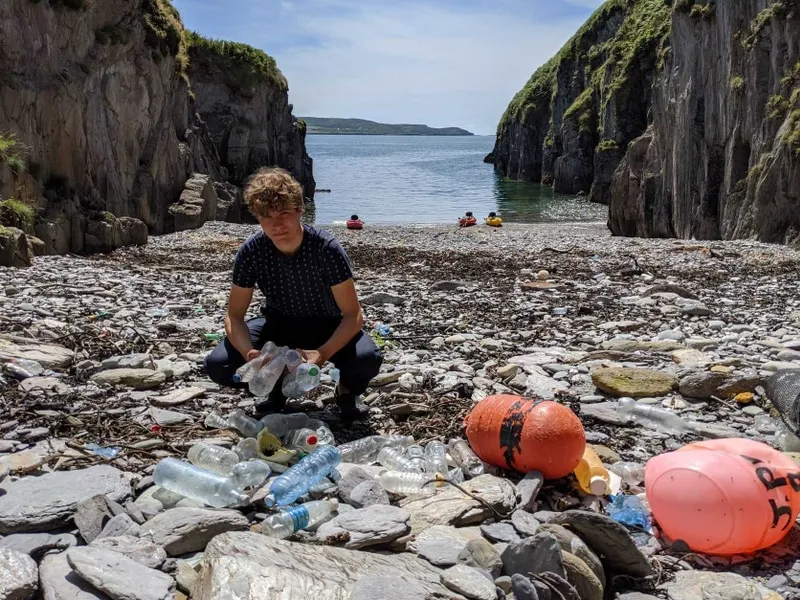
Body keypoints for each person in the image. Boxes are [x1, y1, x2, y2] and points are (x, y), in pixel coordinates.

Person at [204, 167, 382, 420]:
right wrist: (249, 355)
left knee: (366, 359)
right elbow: (234, 316)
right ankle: (274, 388)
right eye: (266, 216)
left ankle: (347, 391)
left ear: (300, 210)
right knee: (219, 363)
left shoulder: (325, 249)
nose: (276, 224)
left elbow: (353, 316)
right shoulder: (252, 251)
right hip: (278, 323)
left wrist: (322, 354)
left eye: (284, 213)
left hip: (328, 324)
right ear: (257, 217)